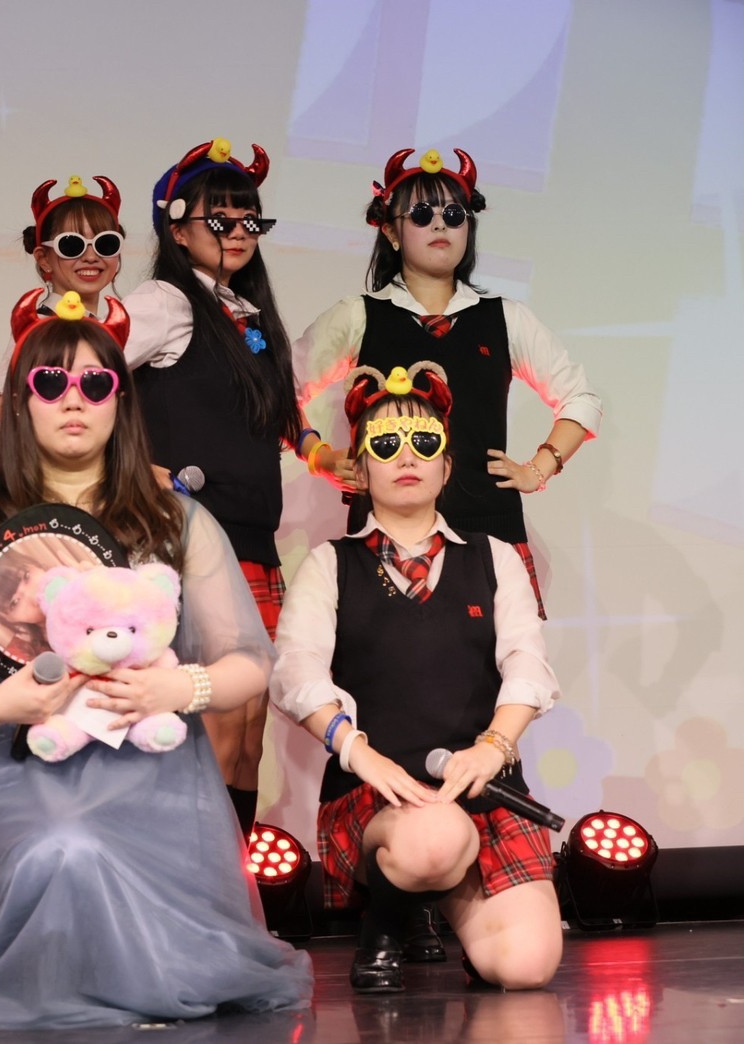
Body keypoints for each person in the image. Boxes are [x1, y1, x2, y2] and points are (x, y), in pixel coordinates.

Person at [0, 294, 312, 1029]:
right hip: (19, 774)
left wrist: (179, 688)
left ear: (121, 403)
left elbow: (249, 661)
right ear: (19, 402)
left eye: (96, 383)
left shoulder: (175, 520)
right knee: (66, 852)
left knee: (109, 886)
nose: (74, 400)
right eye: (51, 383)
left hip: (159, 777)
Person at [270, 362, 562, 993]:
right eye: (385, 445)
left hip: (483, 789)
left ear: (446, 467)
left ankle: (430, 901)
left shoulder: (495, 557)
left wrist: (493, 748)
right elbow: (294, 671)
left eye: (425, 443)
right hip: (381, 798)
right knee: (434, 838)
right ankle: (385, 923)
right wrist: (358, 752)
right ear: (360, 470)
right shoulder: (330, 564)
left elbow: (527, 665)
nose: (407, 457)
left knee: (527, 967)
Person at [294, 147, 602, 617]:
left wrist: (538, 469)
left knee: (499, 660)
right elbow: (277, 392)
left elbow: (581, 398)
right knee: (381, 657)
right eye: (422, 214)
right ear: (391, 231)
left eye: (454, 215)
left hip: (486, 529)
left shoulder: (504, 318)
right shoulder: (359, 315)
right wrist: (318, 455)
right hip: (386, 531)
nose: (440, 225)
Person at [123, 137, 308, 833]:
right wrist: (130, 468)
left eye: (249, 219)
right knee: (216, 728)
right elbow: (83, 376)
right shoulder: (165, 301)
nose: (238, 232)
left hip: (253, 538)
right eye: (220, 219)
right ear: (176, 229)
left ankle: (234, 887)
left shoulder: (247, 315)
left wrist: (323, 454)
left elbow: (275, 420)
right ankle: (194, 884)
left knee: (250, 737)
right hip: (191, 543)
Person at [0, 174, 125, 415]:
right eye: (71, 245)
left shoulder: (109, 327)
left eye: (106, 244)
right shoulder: (38, 326)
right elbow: (2, 401)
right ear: (44, 259)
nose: (91, 256)